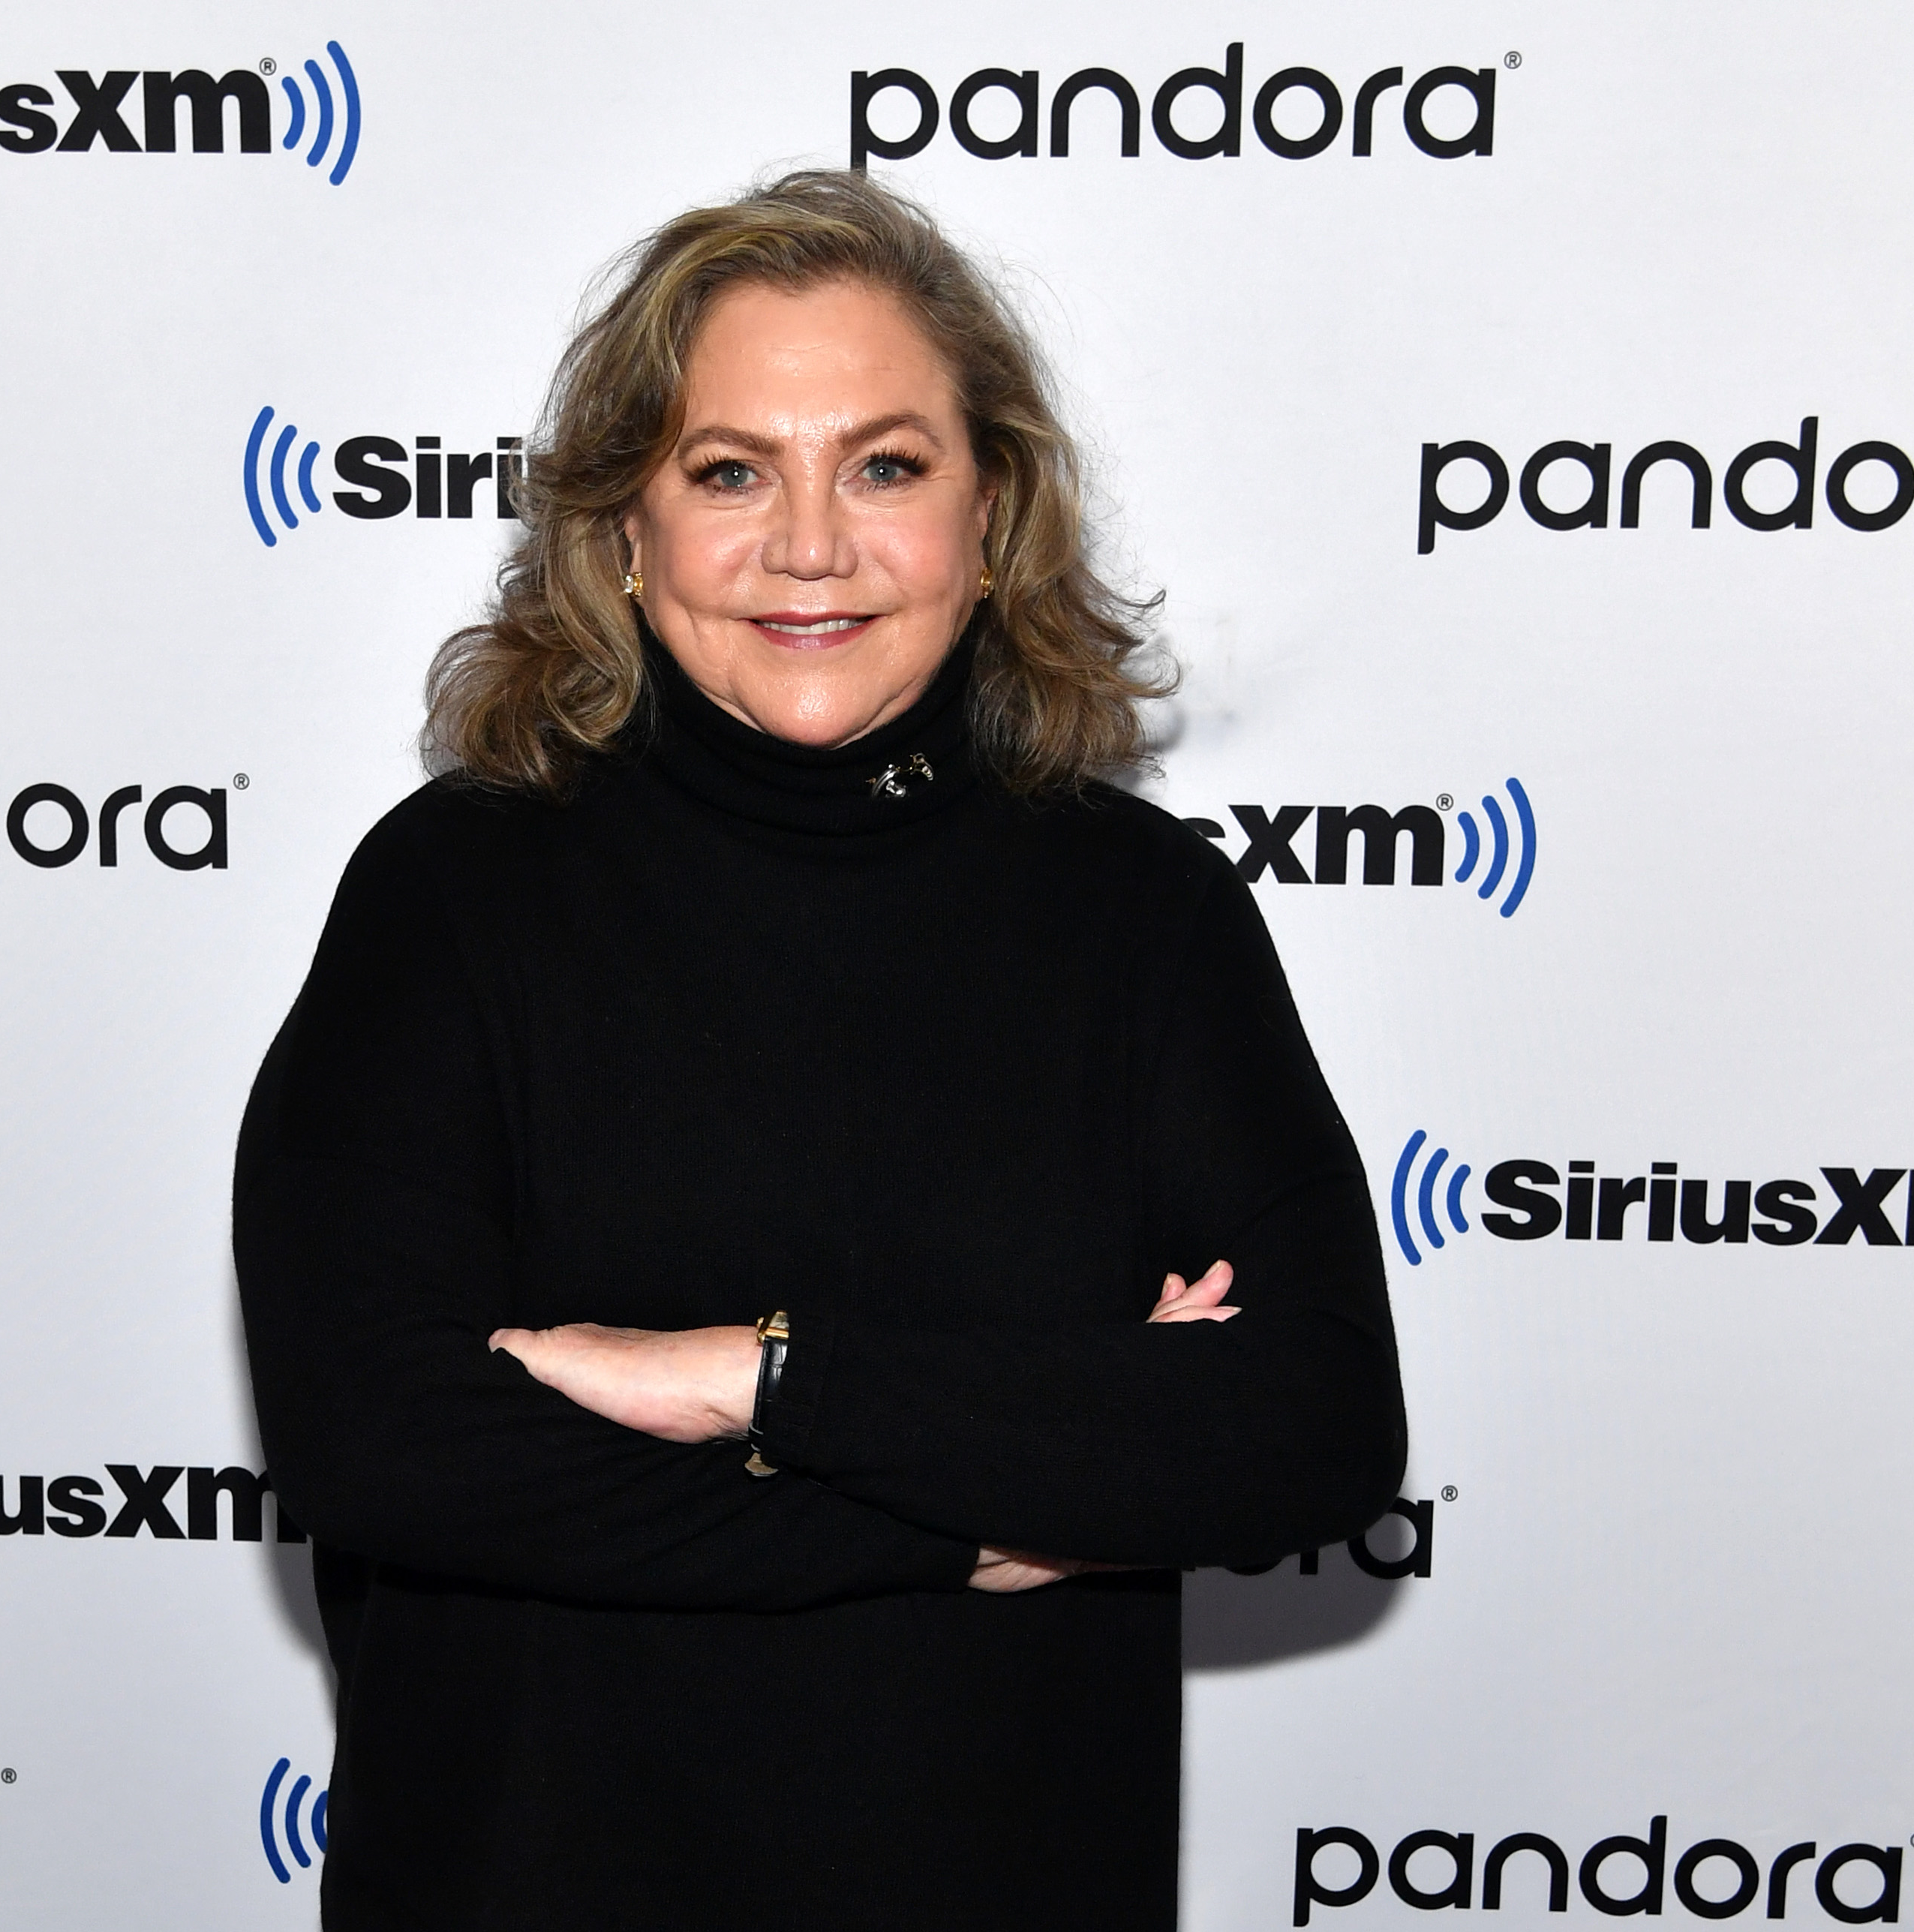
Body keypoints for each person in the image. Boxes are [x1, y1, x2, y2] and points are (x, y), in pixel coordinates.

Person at [233, 168, 1405, 1929]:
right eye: (729, 471)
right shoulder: (455, 892)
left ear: (990, 513)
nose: (808, 545)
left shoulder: (1142, 915)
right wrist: (990, 1503)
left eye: (884, 464)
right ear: (622, 528)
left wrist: (753, 1380)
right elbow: (386, 1439)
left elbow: (1305, 1427)